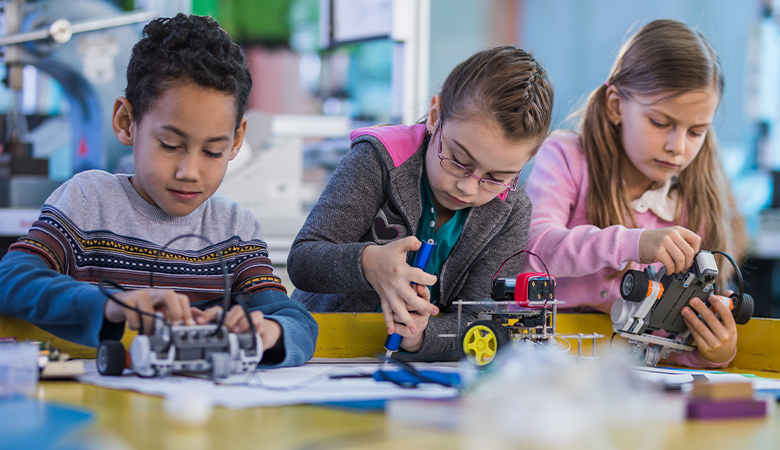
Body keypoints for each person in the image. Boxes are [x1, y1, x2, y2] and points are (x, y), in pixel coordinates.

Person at [0, 14, 317, 367]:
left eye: (212, 151)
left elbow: (298, 322)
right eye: (169, 145)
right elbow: (11, 278)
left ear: (236, 140)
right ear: (126, 122)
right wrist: (111, 305)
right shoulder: (88, 202)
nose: (189, 172)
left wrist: (266, 331)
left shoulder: (234, 231)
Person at [287, 46, 554, 358]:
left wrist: (423, 336)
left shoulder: (512, 210)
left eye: (496, 176)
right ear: (435, 117)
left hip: (422, 373)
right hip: (322, 348)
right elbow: (303, 260)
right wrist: (368, 263)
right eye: (458, 160)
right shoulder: (377, 159)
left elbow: (483, 321)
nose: (468, 187)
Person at [521, 19, 746, 368]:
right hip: (544, 360)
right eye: (660, 123)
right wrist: (634, 243)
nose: (677, 147)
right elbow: (532, 252)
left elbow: (669, 348)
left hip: (628, 381)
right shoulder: (566, 158)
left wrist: (713, 353)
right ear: (615, 105)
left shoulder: (694, 203)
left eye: (696, 131)